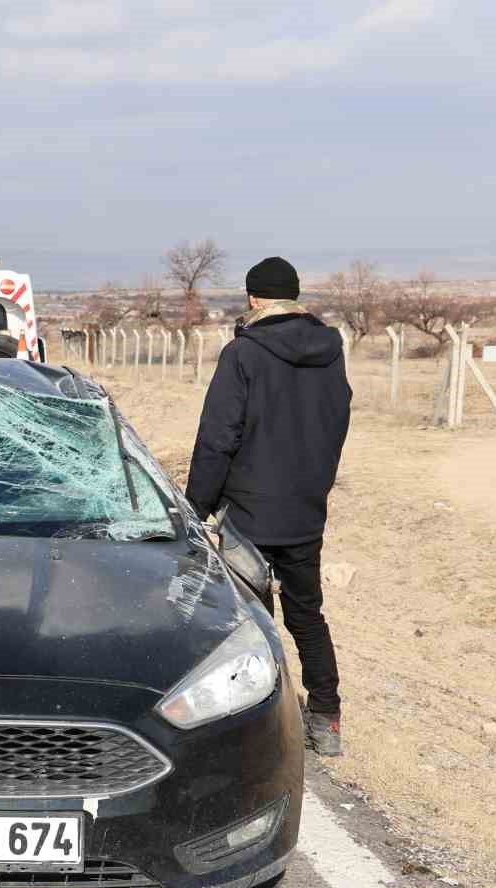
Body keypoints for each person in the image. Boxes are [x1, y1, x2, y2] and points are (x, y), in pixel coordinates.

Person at [185, 256, 352, 756]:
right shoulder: (332, 350)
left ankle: (257, 728)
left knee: (247, 621)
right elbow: (335, 422)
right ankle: (326, 720)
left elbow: (218, 437)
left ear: (254, 298)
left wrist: (196, 506)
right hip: (305, 507)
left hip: (249, 513)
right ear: (295, 297)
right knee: (307, 614)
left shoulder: (243, 354)